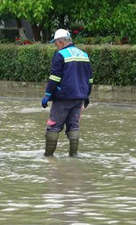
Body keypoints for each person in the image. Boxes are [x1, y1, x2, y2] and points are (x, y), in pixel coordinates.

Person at [41, 29, 93, 157]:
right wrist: (87, 95)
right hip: (79, 97)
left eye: (56, 43)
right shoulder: (84, 55)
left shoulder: (60, 55)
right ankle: (73, 156)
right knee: (73, 126)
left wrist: (47, 95)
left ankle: (48, 157)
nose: (56, 46)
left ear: (61, 41)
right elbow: (90, 79)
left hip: (63, 97)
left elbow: (54, 78)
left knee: (53, 127)